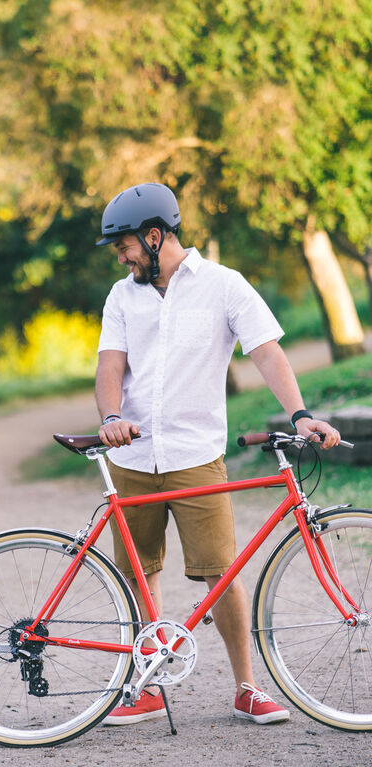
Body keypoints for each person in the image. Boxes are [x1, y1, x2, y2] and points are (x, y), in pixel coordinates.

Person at [93, 182, 341, 726]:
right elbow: (110, 365)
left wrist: (300, 415)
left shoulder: (224, 286)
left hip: (194, 454)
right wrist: (111, 418)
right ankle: (150, 684)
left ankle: (247, 687)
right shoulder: (121, 296)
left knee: (221, 574)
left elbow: (267, 352)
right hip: (132, 459)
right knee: (138, 573)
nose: (121, 255)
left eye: (126, 245)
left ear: (155, 236)